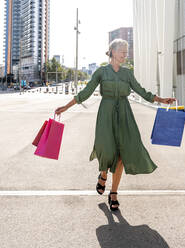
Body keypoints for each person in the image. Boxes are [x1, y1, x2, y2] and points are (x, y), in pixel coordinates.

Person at [55, 39, 176, 211]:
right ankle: (103, 175)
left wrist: (161, 100)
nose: (125, 55)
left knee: (122, 154)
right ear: (112, 51)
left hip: (125, 114)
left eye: (127, 52)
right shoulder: (101, 72)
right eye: (122, 51)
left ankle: (114, 193)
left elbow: (142, 91)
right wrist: (66, 107)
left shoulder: (127, 74)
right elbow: (86, 92)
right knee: (106, 150)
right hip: (106, 113)